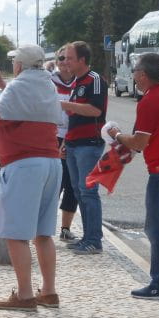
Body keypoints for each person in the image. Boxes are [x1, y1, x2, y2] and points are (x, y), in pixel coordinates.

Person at [0, 44, 62, 311]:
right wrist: (2, 85)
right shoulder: (47, 84)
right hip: (51, 162)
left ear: (20, 65)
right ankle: (49, 291)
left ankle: (25, 295)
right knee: (43, 233)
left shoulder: (18, 87)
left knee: (16, 234)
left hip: (24, 164)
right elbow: (25, 105)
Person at [108, 53, 159, 300]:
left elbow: (139, 142)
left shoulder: (151, 100)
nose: (132, 75)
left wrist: (116, 134)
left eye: (134, 71)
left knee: (156, 229)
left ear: (143, 75)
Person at [60, 41, 108, 255]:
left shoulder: (94, 80)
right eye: (64, 58)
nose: (65, 62)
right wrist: (65, 140)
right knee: (79, 191)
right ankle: (87, 237)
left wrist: (64, 104)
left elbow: (96, 110)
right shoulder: (76, 82)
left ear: (82, 60)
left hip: (89, 144)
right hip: (73, 144)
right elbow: (75, 117)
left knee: (88, 192)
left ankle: (94, 240)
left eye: (69, 58)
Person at [50, 46, 79, 243]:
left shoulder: (81, 83)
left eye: (67, 58)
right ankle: (44, 228)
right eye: (60, 58)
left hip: (74, 137)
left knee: (71, 184)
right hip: (52, 137)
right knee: (52, 184)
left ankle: (65, 228)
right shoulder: (48, 81)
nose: (63, 62)